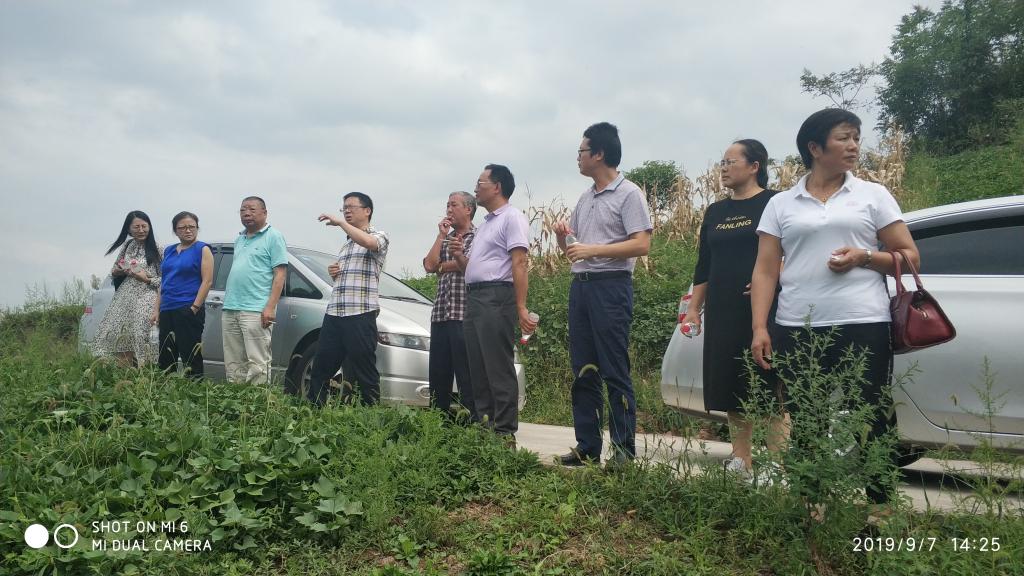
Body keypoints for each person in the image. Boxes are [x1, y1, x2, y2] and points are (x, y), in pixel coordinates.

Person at [750, 108, 921, 507]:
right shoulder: (782, 204)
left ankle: (880, 509)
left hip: (864, 320)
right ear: (815, 147)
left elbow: (911, 256)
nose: (854, 146)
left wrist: (865, 257)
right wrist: (760, 327)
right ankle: (811, 507)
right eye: (844, 138)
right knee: (807, 417)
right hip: (798, 325)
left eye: (856, 138)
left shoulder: (873, 195)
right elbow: (765, 269)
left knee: (873, 415)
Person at [683, 139, 787, 477]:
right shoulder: (716, 212)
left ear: (754, 166)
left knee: (768, 381)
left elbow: (795, 250)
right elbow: (704, 265)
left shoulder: (775, 203)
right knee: (732, 380)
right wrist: (694, 308)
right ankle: (741, 459)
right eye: (722, 163)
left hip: (764, 307)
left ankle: (776, 464)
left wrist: (774, 277)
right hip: (723, 308)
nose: (724, 168)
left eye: (731, 162)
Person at [552, 122, 652, 466]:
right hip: (581, 288)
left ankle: (623, 451)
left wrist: (592, 249)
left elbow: (642, 244)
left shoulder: (629, 194)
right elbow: (573, 251)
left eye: (581, 151)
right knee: (584, 369)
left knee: (614, 369)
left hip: (611, 287)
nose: (578, 157)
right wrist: (562, 236)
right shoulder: (585, 198)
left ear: (599, 154)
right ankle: (588, 446)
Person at [451, 164, 536, 444]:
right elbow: (474, 268)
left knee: (497, 366)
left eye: (480, 183)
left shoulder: (512, 218)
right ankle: (484, 428)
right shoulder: (486, 224)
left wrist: (521, 307)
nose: (476, 188)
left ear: (497, 187)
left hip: (497, 297)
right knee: (477, 367)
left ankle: (504, 433)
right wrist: (460, 257)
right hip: (475, 297)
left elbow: (519, 262)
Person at [307, 192, 390, 406]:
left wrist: (341, 224)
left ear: (367, 211)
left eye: (351, 207)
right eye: (344, 208)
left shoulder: (379, 235)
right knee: (321, 366)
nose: (346, 211)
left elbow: (369, 242)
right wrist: (334, 273)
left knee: (364, 367)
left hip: (360, 312)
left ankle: (371, 414)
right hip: (335, 312)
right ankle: (314, 411)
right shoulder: (347, 245)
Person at [422, 191, 478, 420]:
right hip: (441, 314)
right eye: (447, 205)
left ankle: (471, 421)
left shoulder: (478, 236)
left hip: (463, 314)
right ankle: (439, 421)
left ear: (468, 209)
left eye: (454, 205)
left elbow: (472, 263)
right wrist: (441, 235)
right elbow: (429, 265)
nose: (448, 209)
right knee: (438, 372)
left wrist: (442, 266)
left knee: (467, 373)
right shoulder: (447, 237)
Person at [222, 196, 288, 385]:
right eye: (243, 210)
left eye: (252, 209)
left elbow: (280, 274)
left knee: (258, 361)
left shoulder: (273, 236)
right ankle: (235, 397)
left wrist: (270, 307)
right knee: (233, 361)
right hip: (231, 306)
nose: (246, 213)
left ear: (264, 213)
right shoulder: (239, 239)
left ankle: (257, 400)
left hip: (256, 309)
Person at [93, 210, 162, 366]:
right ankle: (124, 374)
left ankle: (145, 370)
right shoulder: (127, 246)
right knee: (122, 337)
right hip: (124, 298)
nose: (141, 230)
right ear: (129, 229)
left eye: (144, 226)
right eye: (136, 227)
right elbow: (114, 270)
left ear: (150, 227)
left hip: (147, 296)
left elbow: (164, 280)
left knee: (141, 335)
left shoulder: (158, 248)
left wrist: (146, 279)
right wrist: (121, 270)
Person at [151, 211, 214, 379]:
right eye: (182, 227)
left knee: (190, 355)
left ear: (197, 228)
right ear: (175, 230)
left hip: (188, 307)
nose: (188, 230)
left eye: (192, 227)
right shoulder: (169, 250)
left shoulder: (202, 249)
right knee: (166, 355)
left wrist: (194, 308)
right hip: (167, 308)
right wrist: (156, 309)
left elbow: (207, 281)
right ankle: (166, 388)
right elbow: (164, 281)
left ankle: (193, 390)